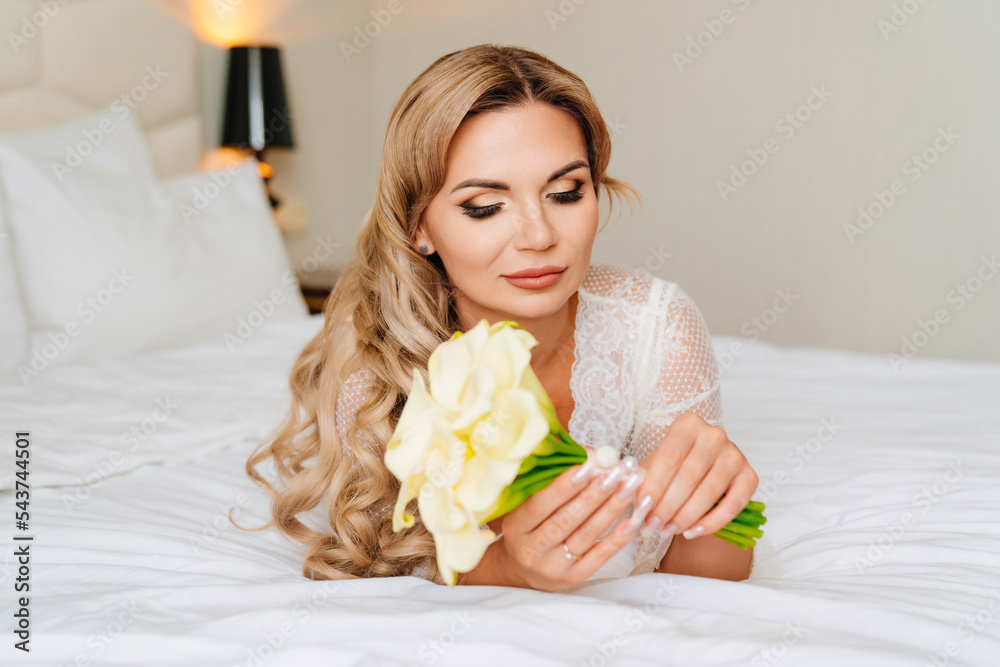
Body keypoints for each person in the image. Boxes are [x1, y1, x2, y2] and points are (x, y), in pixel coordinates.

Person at [243, 44, 760, 592]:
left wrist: (721, 508)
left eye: (566, 193)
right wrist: (510, 569)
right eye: (485, 206)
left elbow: (703, 585)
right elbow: (389, 561)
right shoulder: (373, 357)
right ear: (418, 226)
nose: (539, 236)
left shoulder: (657, 324)